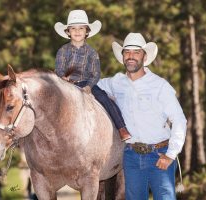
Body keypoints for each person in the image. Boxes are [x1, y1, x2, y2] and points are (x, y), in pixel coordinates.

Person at [98, 32, 187, 199]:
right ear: (123, 56)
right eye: (127, 52)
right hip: (131, 156)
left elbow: (179, 120)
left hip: (159, 154)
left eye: (136, 52)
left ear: (144, 57)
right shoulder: (115, 82)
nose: (131, 56)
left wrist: (171, 154)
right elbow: (91, 85)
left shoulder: (160, 85)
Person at [54, 9, 131, 141]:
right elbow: (59, 69)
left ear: (87, 31)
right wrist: (63, 78)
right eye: (73, 28)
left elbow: (96, 73)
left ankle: (121, 128)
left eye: (81, 28)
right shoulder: (62, 51)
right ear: (68, 32)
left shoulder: (92, 52)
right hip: (67, 84)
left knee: (105, 98)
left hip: (86, 83)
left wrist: (89, 86)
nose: (77, 31)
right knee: (52, 102)